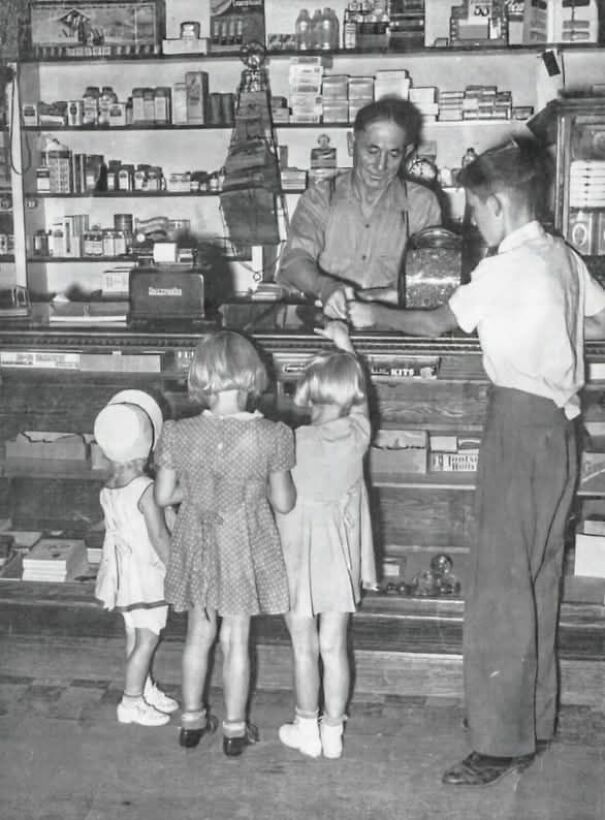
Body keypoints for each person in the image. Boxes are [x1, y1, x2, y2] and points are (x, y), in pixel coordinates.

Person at [348, 138, 605, 785]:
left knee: (496, 588)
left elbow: (436, 324)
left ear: (497, 204)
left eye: (476, 210)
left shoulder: (505, 267)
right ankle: (532, 722)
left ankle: (499, 742)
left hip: (517, 427)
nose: (474, 223)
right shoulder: (560, 255)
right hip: (560, 431)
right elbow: (596, 317)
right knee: (537, 580)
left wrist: (362, 311)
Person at [154, 330, 296, 756]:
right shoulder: (274, 434)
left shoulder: (178, 432)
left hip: (196, 536)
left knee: (199, 632)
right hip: (244, 541)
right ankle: (235, 729)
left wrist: (196, 489)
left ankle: (192, 721)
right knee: (237, 635)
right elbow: (284, 502)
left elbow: (163, 496)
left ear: (200, 376)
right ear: (252, 374)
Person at [276, 320, 377, 760]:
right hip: (339, 559)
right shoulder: (358, 436)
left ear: (307, 392)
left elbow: (278, 501)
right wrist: (346, 345)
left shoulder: (290, 442)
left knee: (304, 649)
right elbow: (364, 407)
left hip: (295, 556)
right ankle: (334, 731)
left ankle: (306, 728)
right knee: (335, 648)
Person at [277, 97, 441, 319]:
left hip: (392, 329)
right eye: (372, 151)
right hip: (328, 325)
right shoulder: (320, 198)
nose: (380, 166)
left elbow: (428, 285)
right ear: (351, 142)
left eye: (393, 154)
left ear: (407, 151)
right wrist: (324, 287)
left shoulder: (422, 204)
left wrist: (376, 301)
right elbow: (295, 260)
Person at [94, 390, 178, 727]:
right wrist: (176, 571)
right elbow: (159, 536)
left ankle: (143, 687)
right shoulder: (145, 488)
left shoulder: (109, 487)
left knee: (135, 632)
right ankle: (130, 701)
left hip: (123, 575)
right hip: (145, 574)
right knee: (148, 637)